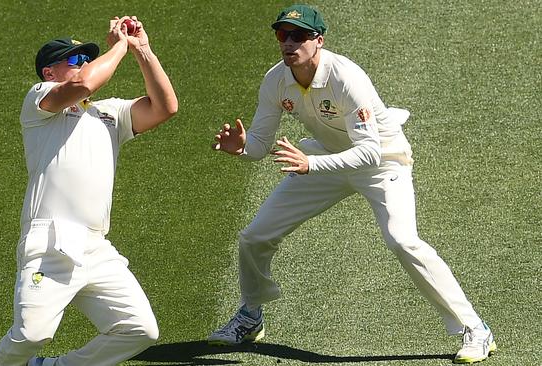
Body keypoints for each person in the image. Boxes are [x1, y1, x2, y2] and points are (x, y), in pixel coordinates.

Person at [208, 4, 495, 364]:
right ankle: (250, 316)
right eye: (283, 34)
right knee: (254, 237)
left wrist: (310, 163)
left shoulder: (346, 77)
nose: (289, 43)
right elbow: (261, 144)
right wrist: (243, 148)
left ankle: (475, 329)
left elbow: (369, 153)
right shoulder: (276, 80)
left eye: (299, 35)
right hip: (325, 159)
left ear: (319, 41)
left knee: (402, 240)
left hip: (382, 162)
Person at [0, 15, 178, 366]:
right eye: (76, 60)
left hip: (96, 247)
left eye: (87, 59)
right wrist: (120, 45)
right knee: (32, 334)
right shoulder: (40, 101)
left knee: (139, 329)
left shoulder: (111, 114)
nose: (86, 64)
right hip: (51, 241)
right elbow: (83, 86)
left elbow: (166, 107)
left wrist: (142, 49)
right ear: (49, 72)